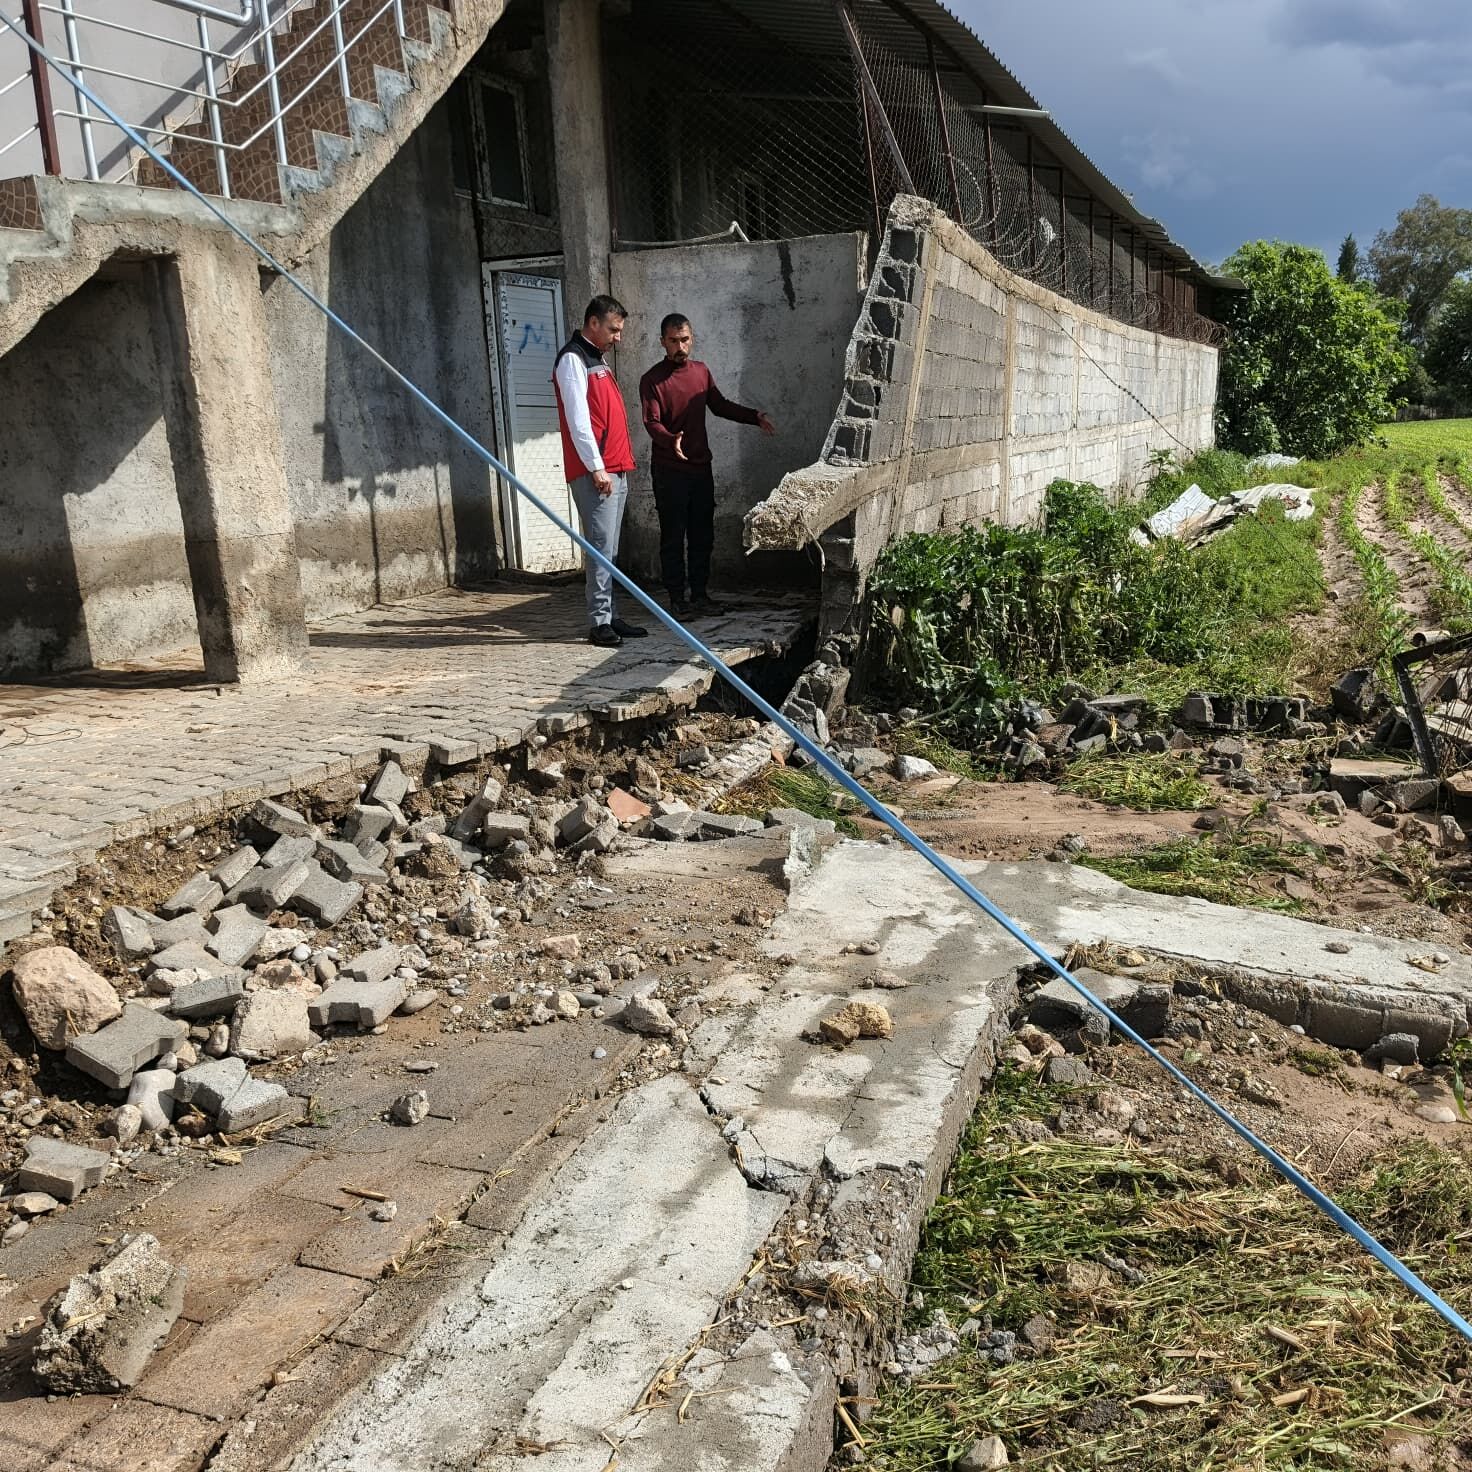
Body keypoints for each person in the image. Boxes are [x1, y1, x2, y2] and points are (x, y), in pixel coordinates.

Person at [638, 314, 776, 617]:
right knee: (673, 537)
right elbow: (651, 422)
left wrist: (754, 416)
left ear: (692, 339)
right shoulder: (652, 379)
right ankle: (677, 600)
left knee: (703, 535)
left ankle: (700, 595)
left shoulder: (701, 372)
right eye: (673, 341)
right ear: (662, 342)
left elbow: (720, 405)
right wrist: (669, 439)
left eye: (684, 339)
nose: (680, 346)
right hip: (669, 471)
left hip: (700, 468)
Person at [552, 295, 648, 648]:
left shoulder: (598, 360)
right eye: (613, 329)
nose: (618, 337)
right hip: (599, 471)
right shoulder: (572, 360)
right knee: (598, 548)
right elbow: (579, 422)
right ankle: (598, 622)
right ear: (593, 323)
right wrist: (596, 467)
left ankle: (611, 615)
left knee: (611, 550)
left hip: (616, 467)